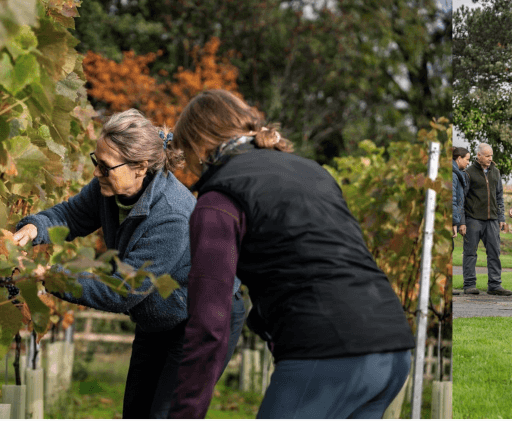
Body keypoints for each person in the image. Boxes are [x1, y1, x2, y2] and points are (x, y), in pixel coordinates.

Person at [166, 90, 416, 419]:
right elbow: (313, 259)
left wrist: (185, 413)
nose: (191, 168)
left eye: (188, 155)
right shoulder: (311, 171)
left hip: (328, 355)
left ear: (198, 144)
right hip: (392, 350)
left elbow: (210, 324)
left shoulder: (218, 200)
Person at [10, 109, 246, 418]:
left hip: (204, 318)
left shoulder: (172, 215)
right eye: (97, 161)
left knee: (168, 414)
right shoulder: (108, 188)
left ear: (140, 167)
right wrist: (35, 227)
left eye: (106, 167)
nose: (97, 173)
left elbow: (122, 290)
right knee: (136, 411)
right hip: (159, 315)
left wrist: (49, 276)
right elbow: (71, 216)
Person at [462, 143, 510, 295]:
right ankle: (469, 285)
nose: (490, 159)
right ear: (479, 156)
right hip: (473, 219)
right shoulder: (468, 173)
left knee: (494, 252)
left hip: (492, 220)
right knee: (470, 253)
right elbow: (461, 199)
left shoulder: (496, 172)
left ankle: (495, 285)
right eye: (487, 156)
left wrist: (501, 218)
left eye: (491, 156)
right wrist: (462, 222)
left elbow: (499, 197)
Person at [453, 147, 470, 238]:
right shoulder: (453, 175)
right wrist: (454, 223)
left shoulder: (459, 174)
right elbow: (453, 200)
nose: (468, 162)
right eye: (467, 159)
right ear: (459, 158)